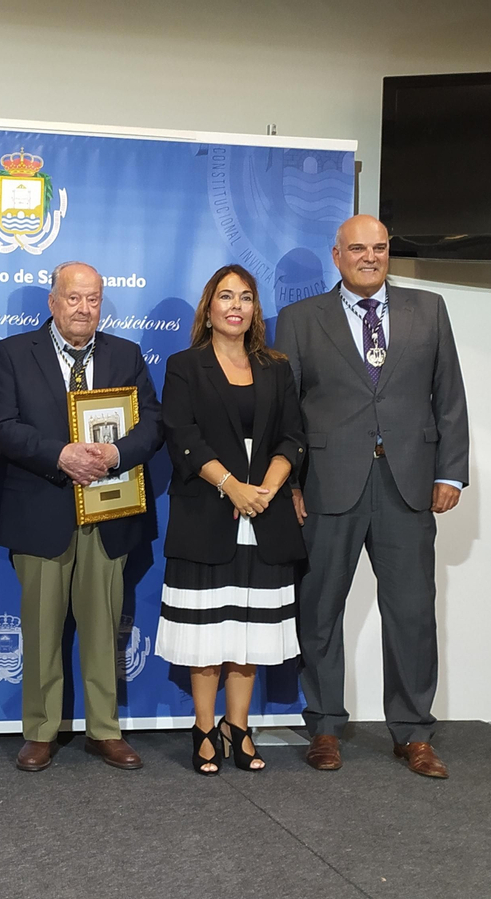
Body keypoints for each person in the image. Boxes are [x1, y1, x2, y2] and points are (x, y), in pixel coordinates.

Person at [271, 214, 469, 778]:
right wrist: (291, 483)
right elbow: (286, 411)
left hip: (408, 484)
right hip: (328, 484)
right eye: (358, 249)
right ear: (336, 255)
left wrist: (450, 473)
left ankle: (413, 733)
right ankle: (325, 727)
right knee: (320, 610)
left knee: (411, 613)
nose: (370, 257)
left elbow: (449, 393)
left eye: (379, 248)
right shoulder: (300, 319)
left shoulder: (428, 309)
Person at [0, 261, 164, 772]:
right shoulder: (13, 353)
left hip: (110, 513)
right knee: (40, 629)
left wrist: (116, 455)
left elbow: (152, 423)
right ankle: (41, 730)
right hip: (42, 509)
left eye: (93, 299)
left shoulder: (125, 355)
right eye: (73, 298)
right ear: (52, 301)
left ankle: (104, 729)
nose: (84, 308)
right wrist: (60, 455)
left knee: (103, 627)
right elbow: (3, 427)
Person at [158, 264, 306, 775]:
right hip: (208, 509)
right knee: (207, 632)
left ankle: (237, 728)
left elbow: (293, 435)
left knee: (249, 631)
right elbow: (182, 434)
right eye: (226, 296)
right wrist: (233, 487)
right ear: (210, 306)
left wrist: (267, 486)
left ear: (254, 308)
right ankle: (203, 728)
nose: (236, 306)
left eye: (245, 297)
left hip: (265, 510)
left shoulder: (276, 367)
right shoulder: (184, 365)